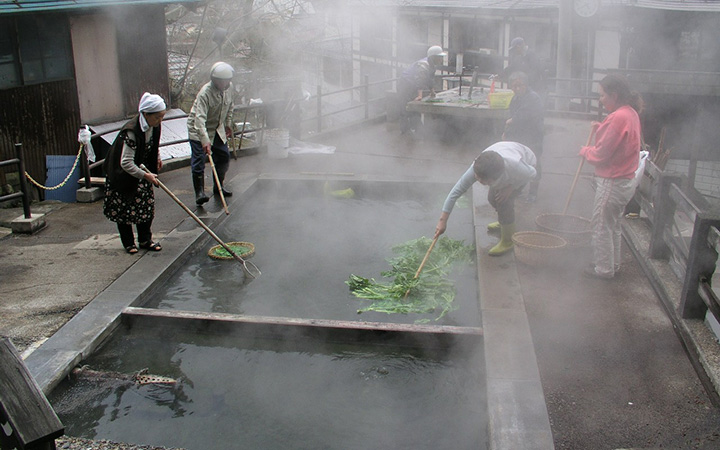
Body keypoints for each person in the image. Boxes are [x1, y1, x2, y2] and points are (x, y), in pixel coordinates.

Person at [580, 74, 643, 280]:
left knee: (600, 226)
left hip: (613, 180)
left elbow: (601, 154)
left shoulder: (618, 117)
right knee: (613, 225)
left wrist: (585, 151)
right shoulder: (630, 113)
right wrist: (601, 128)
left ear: (614, 95)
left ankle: (603, 269)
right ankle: (612, 265)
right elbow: (617, 140)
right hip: (625, 180)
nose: (601, 99)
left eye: (602, 95)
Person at [435, 141, 536, 256]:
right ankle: (503, 222)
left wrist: (511, 187)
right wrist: (442, 222)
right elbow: (455, 192)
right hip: (506, 154)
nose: (479, 181)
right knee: (492, 199)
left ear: (495, 178)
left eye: (484, 181)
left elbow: (533, 173)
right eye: (477, 178)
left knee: (503, 202)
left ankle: (508, 240)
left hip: (527, 163)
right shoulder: (478, 167)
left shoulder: (516, 167)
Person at [103, 93, 166, 254]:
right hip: (122, 174)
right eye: (157, 117)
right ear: (146, 114)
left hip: (141, 169)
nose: (160, 121)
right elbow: (125, 163)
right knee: (124, 209)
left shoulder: (154, 126)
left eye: (162, 117)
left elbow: (152, 144)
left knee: (146, 207)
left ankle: (145, 240)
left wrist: (156, 157)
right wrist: (146, 176)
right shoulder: (131, 131)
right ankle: (129, 243)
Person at [187, 61, 235, 205]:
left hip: (217, 128)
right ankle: (199, 193)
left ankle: (218, 186)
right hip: (198, 130)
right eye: (221, 80)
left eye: (227, 80)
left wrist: (227, 124)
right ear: (214, 79)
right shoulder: (205, 93)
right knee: (199, 160)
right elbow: (199, 119)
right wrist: (205, 140)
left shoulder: (230, 88)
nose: (224, 83)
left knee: (224, 156)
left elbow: (230, 106)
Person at [502, 71, 545, 202]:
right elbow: (512, 117)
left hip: (533, 135)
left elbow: (524, 115)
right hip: (519, 136)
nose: (517, 88)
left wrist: (511, 121)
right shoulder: (515, 99)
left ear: (526, 85)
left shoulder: (533, 98)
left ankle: (533, 193)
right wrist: (506, 133)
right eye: (514, 86)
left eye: (520, 85)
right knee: (518, 161)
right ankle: (519, 188)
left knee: (534, 162)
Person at [396, 45, 447, 135]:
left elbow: (430, 79)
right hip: (405, 84)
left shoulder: (432, 66)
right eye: (440, 57)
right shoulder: (424, 65)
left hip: (412, 85)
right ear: (433, 57)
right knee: (404, 107)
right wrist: (419, 95)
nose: (441, 60)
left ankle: (416, 129)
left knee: (414, 108)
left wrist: (432, 91)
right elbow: (420, 80)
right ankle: (405, 131)